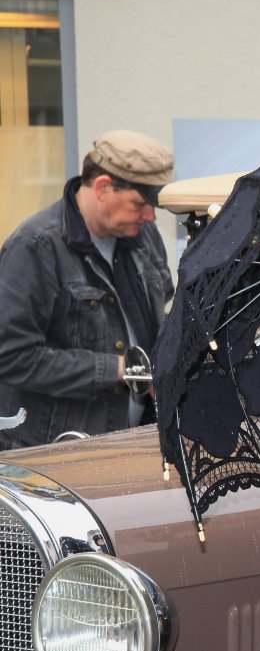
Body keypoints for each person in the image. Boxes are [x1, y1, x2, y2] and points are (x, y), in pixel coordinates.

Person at [0, 130, 174, 449]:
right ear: (103, 187)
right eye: (139, 203)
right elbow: (11, 356)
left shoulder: (145, 237)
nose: (150, 216)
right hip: (56, 454)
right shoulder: (35, 246)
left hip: (133, 441)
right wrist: (117, 369)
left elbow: (159, 315)